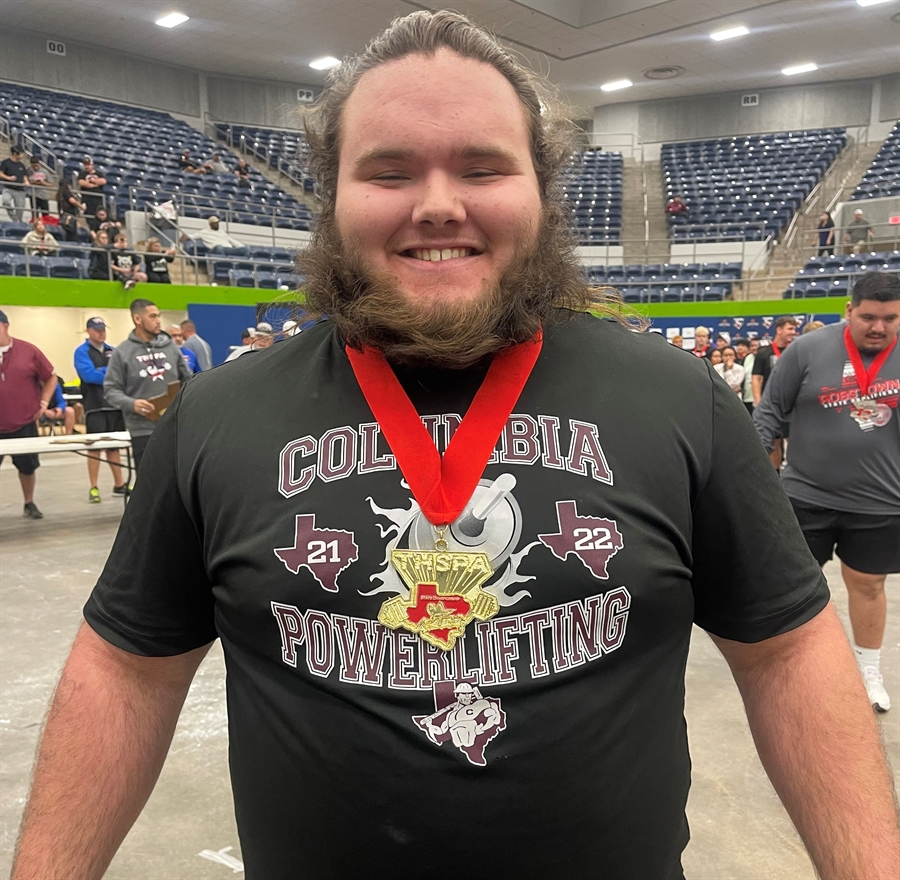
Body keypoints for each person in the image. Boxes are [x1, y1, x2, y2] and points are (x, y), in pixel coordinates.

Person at [10, 12, 900, 880]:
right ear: (334, 197)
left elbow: (785, 653)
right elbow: (128, 673)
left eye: (481, 166)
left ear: (542, 191)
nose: (439, 205)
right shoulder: (215, 415)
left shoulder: (681, 400)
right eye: (389, 171)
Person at [753, 272, 899, 713]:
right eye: (869, 317)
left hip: (882, 501)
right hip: (805, 495)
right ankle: (791, 666)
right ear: (848, 311)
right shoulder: (808, 350)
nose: (878, 327)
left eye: (890, 318)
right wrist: (757, 482)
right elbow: (769, 415)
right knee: (794, 584)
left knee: (869, 585)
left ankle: (868, 669)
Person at [101, 299, 192, 471]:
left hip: (174, 427)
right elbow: (110, 390)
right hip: (142, 431)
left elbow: (188, 379)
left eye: (159, 316)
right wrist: (132, 404)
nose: (158, 320)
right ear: (137, 319)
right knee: (149, 486)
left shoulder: (170, 347)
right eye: (152, 316)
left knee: (179, 483)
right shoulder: (122, 352)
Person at [0, 309, 57, 519]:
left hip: (23, 423)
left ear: (5, 326)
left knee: (27, 467)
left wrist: (43, 403)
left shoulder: (28, 351)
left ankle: (29, 502)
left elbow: (51, 376)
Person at [73, 317, 127, 503]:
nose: (101, 332)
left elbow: (123, 374)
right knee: (95, 447)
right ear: (88, 331)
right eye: (97, 329)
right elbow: (89, 376)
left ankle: (119, 484)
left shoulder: (114, 351)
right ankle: (94, 487)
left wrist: (104, 371)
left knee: (114, 446)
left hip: (115, 406)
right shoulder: (81, 352)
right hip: (95, 406)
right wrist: (109, 373)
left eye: (103, 329)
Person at [752, 316, 798, 468]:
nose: (793, 332)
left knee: (795, 440)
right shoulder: (764, 353)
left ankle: (796, 473)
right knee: (774, 442)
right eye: (790, 329)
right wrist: (758, 401)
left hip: (794, 405)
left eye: (794, 329)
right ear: (779, 330)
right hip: (772, 405)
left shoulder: (797, 350)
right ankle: (776, 479)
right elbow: (756, 378)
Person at [0, 145, 30, 222]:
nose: (22, 155)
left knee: (20, 208)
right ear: (15, 154)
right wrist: (8, 178)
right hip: (8, 188)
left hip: (20, 190)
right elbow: (1, 173)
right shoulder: (5, 163)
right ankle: (15, 219)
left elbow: (24, 175)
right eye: (21, 153)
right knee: (6, 201)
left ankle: (18, 221)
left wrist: (26, 182)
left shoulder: (21, 165)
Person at [56, 178, 85, 242]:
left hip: (63, 215)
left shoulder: (59, 194)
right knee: (72, 233)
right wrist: (81, 207)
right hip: (69, 215)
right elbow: (72, 201)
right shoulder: (66, 192)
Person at [734, 337, 755, 415]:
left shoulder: (752, 359)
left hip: (750, 394)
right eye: (738, 345)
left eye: (743, 345)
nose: (740, 347)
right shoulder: (735, 359)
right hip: (739, 395)